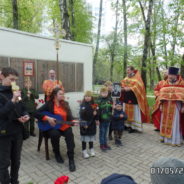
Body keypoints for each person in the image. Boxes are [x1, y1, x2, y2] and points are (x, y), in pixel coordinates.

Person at [34, 87, 76, 172]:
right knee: (55, 134)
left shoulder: (66, 104)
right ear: (55, 95)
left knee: (69, 134)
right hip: (52, 126)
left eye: (63, 94)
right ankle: (57, 153)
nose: (63, 95)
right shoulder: (49, 104)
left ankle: (71, 158)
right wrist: (48, 118)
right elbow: (35, 113)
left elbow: (70, 117)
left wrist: (73, 121)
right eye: (60, 94)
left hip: (63, 125)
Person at [0, 67, 30, 184]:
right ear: (2, 76)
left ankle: (15, 181)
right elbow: (1, 113)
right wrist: (12, 100)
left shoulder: (17, 92)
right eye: (11, 79)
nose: (14, 83)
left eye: (15, 80)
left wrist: (26, 115)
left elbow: (23, 107)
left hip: (17, 132)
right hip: (4, 133)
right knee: (4, 163)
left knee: (16, 161)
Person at [152, 67, 184, 146]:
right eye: (169, 75)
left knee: (174, 123)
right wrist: (161, 105)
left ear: (176, 75)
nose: (170, 77)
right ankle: (164, 138)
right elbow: (161, 96)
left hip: (176, 107)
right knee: (164, 123)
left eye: (172, 75)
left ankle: (174, 140)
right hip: (165, 106)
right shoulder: (164, 84)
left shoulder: (182, 84)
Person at [120, 66, 150, 133]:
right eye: (127, 70)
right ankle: (126, 125)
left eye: (128, 70)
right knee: (126, 111)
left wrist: (130, 88)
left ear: (132, 70)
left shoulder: (137, 78)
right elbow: (122, 84)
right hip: (126, 97)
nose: (127, 72)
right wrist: (121, 87)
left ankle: (133, 127)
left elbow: (139, 87)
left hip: (134, 98)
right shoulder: (126, 78)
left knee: (134, 112)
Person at [79, 91, 99, 158]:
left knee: (91, 138)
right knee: (84, 139)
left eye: (89, 96)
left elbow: (97, 114)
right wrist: (83, 124)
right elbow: (81, 116)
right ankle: (84, 151)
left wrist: (96, 116)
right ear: (84, 97)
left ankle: (91, 149)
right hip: (84, 124)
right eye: (86, 96)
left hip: (92, 124)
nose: (87, 98)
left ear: (91, 97)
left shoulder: (94, 105)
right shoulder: (82, 105)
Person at [96, 86, 113, 151]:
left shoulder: (109, 99)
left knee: (106, 132)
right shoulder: (98, 100)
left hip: (108, 119)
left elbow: (111, 108)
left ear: (107, 92)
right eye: (103, 93)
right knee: (102, 132)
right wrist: (97, 119)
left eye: (105, 92)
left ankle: (105, 144)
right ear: (100, 93)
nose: (104, 94)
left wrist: (113, 107)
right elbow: (97, 111)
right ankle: (102, 145)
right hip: (102, 119)